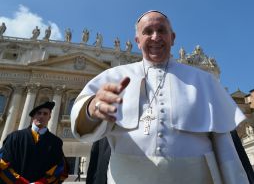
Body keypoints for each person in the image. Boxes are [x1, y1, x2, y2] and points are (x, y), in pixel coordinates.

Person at [71, 10, 249, 183]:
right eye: (147, 32)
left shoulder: (203, 80)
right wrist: (91, 108)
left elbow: (226, 149)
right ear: (138, 41)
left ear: (172, 38)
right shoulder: (113, 76)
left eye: (162, 30)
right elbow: (83, 126)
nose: (155, 37)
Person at [0, 101, 68, 183]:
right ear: (33, 117)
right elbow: (3, 162)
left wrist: (41, 182)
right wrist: (20, 181)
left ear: (49, 117)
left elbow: (59, 167)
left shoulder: (56, 142)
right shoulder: (14, 137)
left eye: (45, 114)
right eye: (38, 113)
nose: (41, 116)